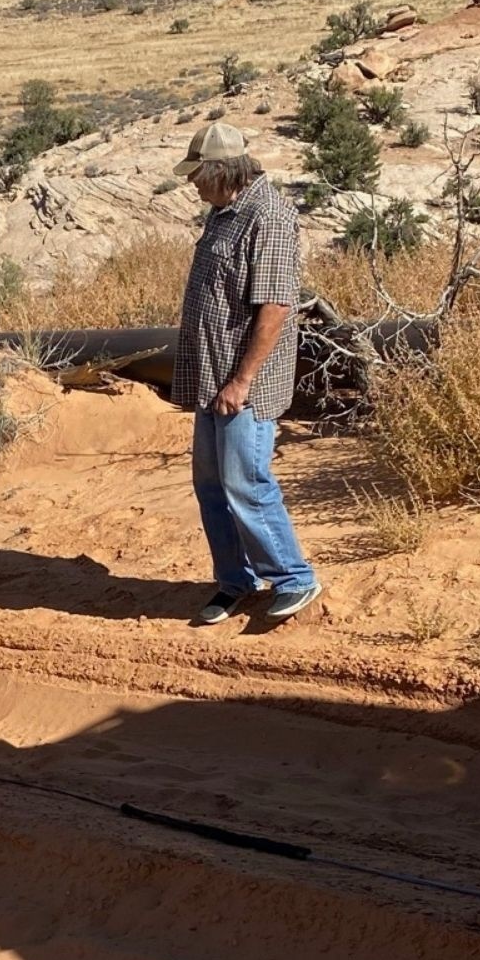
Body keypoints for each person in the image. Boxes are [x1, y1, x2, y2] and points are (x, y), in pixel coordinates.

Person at [170, 121, 320, 626]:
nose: (192, 184)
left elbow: (275, 306)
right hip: (212, 375)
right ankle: (236, 581)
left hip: (244, 383)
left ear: (221, 171)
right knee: (211, 484)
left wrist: (241, 381)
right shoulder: (223, 211)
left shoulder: (268, 217)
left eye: (197, 175)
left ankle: (294, 577)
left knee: (245, 482)